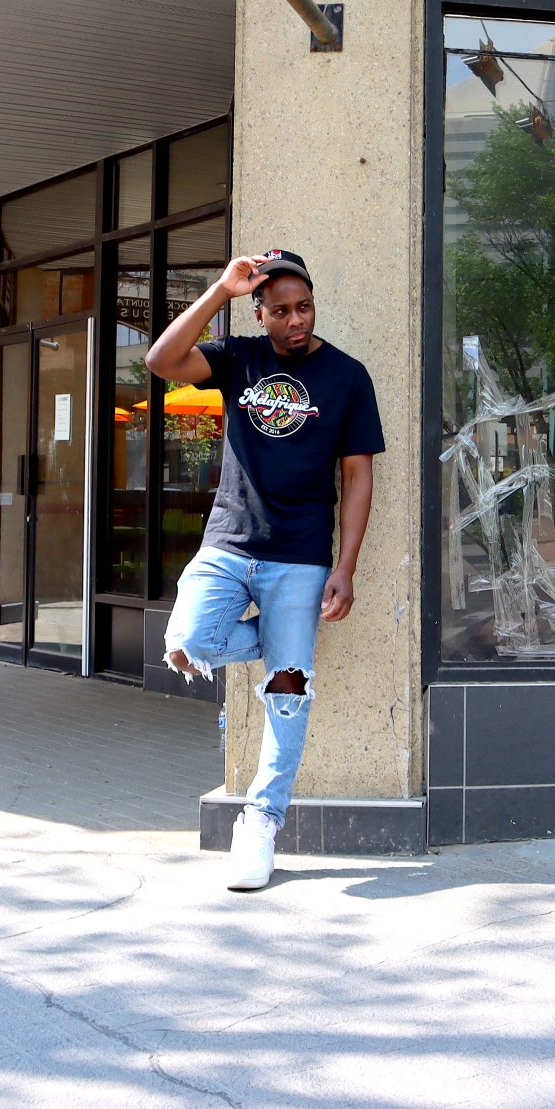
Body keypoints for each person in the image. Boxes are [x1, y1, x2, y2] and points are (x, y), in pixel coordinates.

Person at [145, 248, 383, 891]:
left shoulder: (346, 376)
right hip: (228, 544)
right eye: (280, 311)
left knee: (286, 696)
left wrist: (346, 565)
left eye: (303, 307)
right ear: (260, 312)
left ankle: (260, 822)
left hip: (301, 558)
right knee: (189, 643)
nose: (295, 320)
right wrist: (218, 291)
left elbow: (358, 475)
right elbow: (161, 362)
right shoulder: (239, 357)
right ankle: (287, 640)